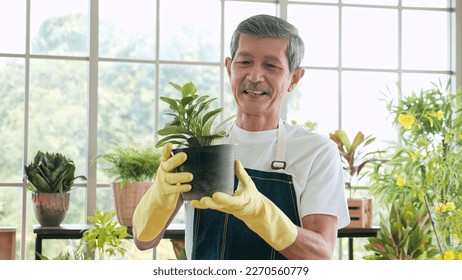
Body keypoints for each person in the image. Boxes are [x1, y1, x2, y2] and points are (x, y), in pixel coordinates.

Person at [132, 14, 350, 260]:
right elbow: (143, 239)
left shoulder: (317, 152)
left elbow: (321, 254)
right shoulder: (202, 144)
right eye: (245, 62)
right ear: (229, 68)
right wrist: (160, 194)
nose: (255, 76)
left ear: (294, 78)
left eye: (271, 66)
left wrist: (259, 213)